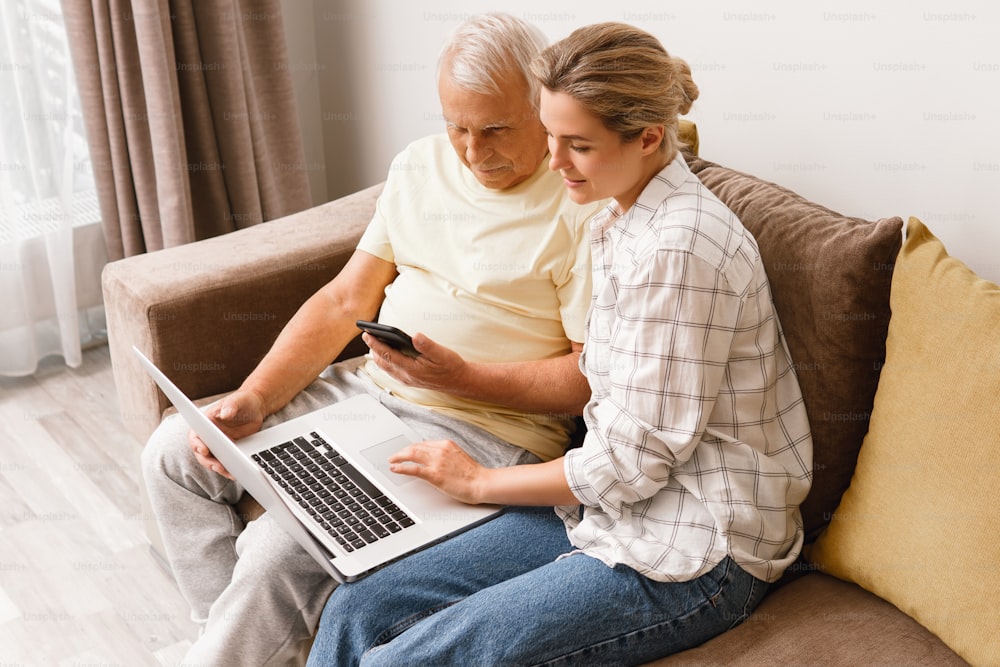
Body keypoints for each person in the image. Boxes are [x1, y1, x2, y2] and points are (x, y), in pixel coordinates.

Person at [307, 22, 814, 666]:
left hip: (699, 548)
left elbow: (630, 466)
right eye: (550, 136)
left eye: (576, 145)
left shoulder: (679, 250)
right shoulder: (618, 217)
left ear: (650, 137)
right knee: (358, 606)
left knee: (398, 662)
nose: (552, 163)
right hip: (611, 510)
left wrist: (480, 480)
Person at [140, 13, 606, 666]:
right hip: (363, 390)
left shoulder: (581, 206)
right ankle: (224, 641)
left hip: (482, 430)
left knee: (281, 545)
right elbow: (343, 300)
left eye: (495, 128)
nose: (472, 151)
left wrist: (459, 378)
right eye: (457, 125)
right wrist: (254, 399)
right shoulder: (419, 165)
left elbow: (588, 376)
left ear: (544, 107)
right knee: (172, 451)